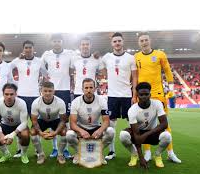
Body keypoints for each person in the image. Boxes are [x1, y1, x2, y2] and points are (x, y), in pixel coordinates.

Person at [134, 32, 181, 163]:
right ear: (139, 43)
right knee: (144, 124)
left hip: (158, 94)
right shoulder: (136, 57)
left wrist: (171, 90)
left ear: (150, 41)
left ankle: (170, 153)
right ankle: (147, 152)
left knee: (165, 124)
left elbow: (167, 71)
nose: (144, 42)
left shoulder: (160, 54)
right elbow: (135, 76)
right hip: (142, 96)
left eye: (146, 40)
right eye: (141, 40)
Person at [100, 32, 138, 160]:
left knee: (132, 124)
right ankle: (112, 152)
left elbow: (135, 77)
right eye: (115, 41)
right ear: (112, 43)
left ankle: (135, 152)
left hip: (127, 95)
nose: (117, 43)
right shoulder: (106, 57)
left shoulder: (130, 58)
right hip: (112, 96)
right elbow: (102, 69)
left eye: (119, 41)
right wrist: (107, 76)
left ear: (123, 42)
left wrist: (134, 95)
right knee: (110, 126)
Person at [119, 82, 172, 168]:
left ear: (150, 94)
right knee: (123, 135)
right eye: (141, 94)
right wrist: (141, 157)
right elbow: (136, 135)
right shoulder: (132, 110)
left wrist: (146, 134)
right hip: (138, 134)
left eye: (146, 94)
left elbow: (164, 124)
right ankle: (134, 155)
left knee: (167, 136)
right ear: (137, 95)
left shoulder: (157, 104)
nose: (144, 97)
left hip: (152, 133)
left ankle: (157, 155)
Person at [10, 40, 47, 158]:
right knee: (20, 124)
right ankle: (20, 149)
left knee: (36, 125)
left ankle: (37, 150)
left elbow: (46, 74)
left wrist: (41, 84)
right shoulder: (17, 60)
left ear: (33, 48)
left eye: (30, 47)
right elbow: (6, 68)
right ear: (23, 49)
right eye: (26, 47)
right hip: (21, 96)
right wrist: (14, 83)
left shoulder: (39, 61)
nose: (28, 49)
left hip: (35, 97)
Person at [66, 78, 115, 164]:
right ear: (82, 89)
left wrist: (100, 130)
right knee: (69, 135)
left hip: (96, 127)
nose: (89, 90)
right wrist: (81, 131)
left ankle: (98, 152)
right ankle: (80, 152)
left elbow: (106, 121)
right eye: (86, 88)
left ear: (95, 89)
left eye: (91, 87)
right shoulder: (75, 102)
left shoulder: (102, 101)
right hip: (81, 128)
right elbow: (72, 124)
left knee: (111, 131)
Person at [41, 34, 73, 159]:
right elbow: (40, 65)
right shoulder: (46, 54)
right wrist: (47, 76)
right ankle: (55, 149)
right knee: (51, 119)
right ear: (51, 42)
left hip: (64, 91)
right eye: (54, 41)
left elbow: (78, 63)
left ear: (62, 42)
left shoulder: (69, 53)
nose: (57, 43)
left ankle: (64, 149)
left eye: (59, 41)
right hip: (51, 91)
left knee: (64, 121)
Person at [0, 83, 30, 164]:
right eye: (6, 94)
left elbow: (24, 122)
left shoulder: (22, 103)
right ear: (3, 94)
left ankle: (23, 154)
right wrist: (1, 136)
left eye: (11, 94)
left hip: (19, 125)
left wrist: (12, 135)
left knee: (25, 135)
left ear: (16, 94)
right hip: (5, 125)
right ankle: (6, 154)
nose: (9, 96)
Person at [30, 81, 67, 164]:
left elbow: (63, 120)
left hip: (55, 119)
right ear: (41, 91)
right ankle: (41, 154)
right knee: (32, 132)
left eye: (50, 91)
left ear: (54, 91)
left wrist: (56, 132)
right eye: (45, 91)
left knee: (65, 132)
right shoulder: (36, 102)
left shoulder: (60, 102)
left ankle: (60, 154)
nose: (47, 93)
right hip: (42, 119)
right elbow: (34, 120)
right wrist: (40, 133)